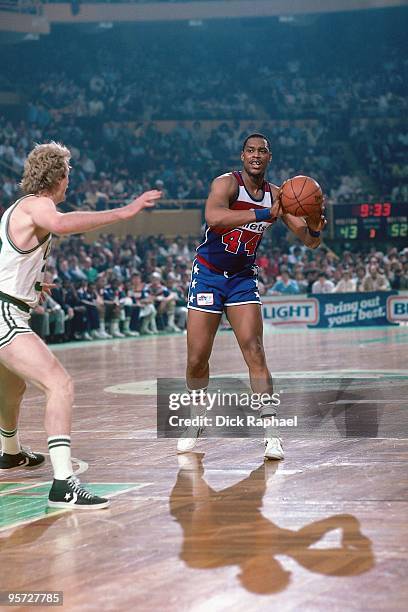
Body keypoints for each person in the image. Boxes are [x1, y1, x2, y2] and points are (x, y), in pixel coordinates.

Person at [0, 141, 161, 509]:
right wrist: (124, 211)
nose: (69, 182)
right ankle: (63, 484)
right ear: (57, 176)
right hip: (4, 314)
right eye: (68, 175)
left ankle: (9, 451)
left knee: (12, 387)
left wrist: (34, 285)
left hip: (6, 306)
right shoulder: (40, 205)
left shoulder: (17, 207)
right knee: (60, 384)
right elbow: (60, 223)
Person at [179, 133, 325, 459]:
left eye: (262, 151)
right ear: (242, 155)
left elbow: (310, 240)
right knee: (196, 359)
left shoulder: (279, 194)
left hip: (242, 278)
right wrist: (262, 215)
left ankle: (271, 432)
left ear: (269, 157)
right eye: (250, 150)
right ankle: (197, 413)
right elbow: (214, 218)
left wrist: (314, 223)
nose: (255, 155)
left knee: (255, 350)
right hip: (208, 276)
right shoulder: (227, 184)